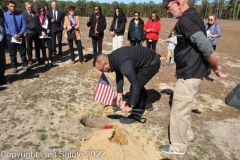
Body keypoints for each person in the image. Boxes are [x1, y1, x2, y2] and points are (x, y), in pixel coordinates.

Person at [159, 0, 228, 155]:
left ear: (177, 2)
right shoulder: (193, 15)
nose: (167, 11)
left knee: (179, 110)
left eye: (168, 8)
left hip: (189, 74)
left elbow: (204, 46)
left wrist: (216, 69)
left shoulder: (186, 19)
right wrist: (206, 70)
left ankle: (178, 147)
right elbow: (194, 45)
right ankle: (188, 135)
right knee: (185, 106)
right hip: (194, 71)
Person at [93, 46, 160, 124]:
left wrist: (130, 105)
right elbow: (119, 74)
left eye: (101, 69)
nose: (102, 72)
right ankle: (147, 103)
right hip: (144, 59)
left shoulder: (124, 66)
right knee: (138, 82)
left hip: (152, 63)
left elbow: (136, 86)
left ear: (106, 64)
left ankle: (136, 114)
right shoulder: (112, 58)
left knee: (134, 86)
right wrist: (119, 93)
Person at [4, 0, 30, 73]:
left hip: (20, 36)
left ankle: (25, 65)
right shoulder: (5, 15)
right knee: (12, 53)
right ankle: (14, 66)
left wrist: (20, 34)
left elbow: (24, 25)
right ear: (8, 6)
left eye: (14, 6)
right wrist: (13, 34)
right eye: (11, 6)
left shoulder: (20, 15)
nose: (13, 8)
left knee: (22, 51)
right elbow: (5, 27)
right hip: (10, 37)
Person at [0, 8, 10, 85]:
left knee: (2, 61)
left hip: (1, 41)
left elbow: (3, 26)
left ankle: (2, 78)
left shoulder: (1, 12)